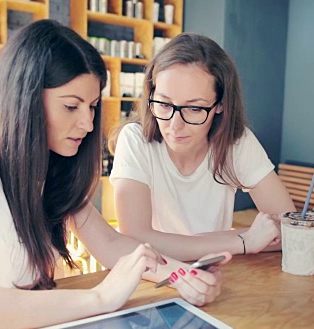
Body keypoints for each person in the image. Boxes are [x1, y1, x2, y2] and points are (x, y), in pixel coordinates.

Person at [0, 20, 229, 329]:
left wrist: (183, 275)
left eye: (93, 106)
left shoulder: (51, 163)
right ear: (24, 99)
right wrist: (98, 299)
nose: (87, 123)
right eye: (71, 107)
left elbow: (110, 243)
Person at [109, 33, 296, 262]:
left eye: (195, 109)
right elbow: (134, 240)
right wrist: (245, 241)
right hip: (152, 277)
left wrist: (181, 244)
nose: (175, 126)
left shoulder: (236, 143)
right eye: (165, 104)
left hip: (214, 273)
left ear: (220, 106)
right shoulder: (136, 140)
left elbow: (290, 230)